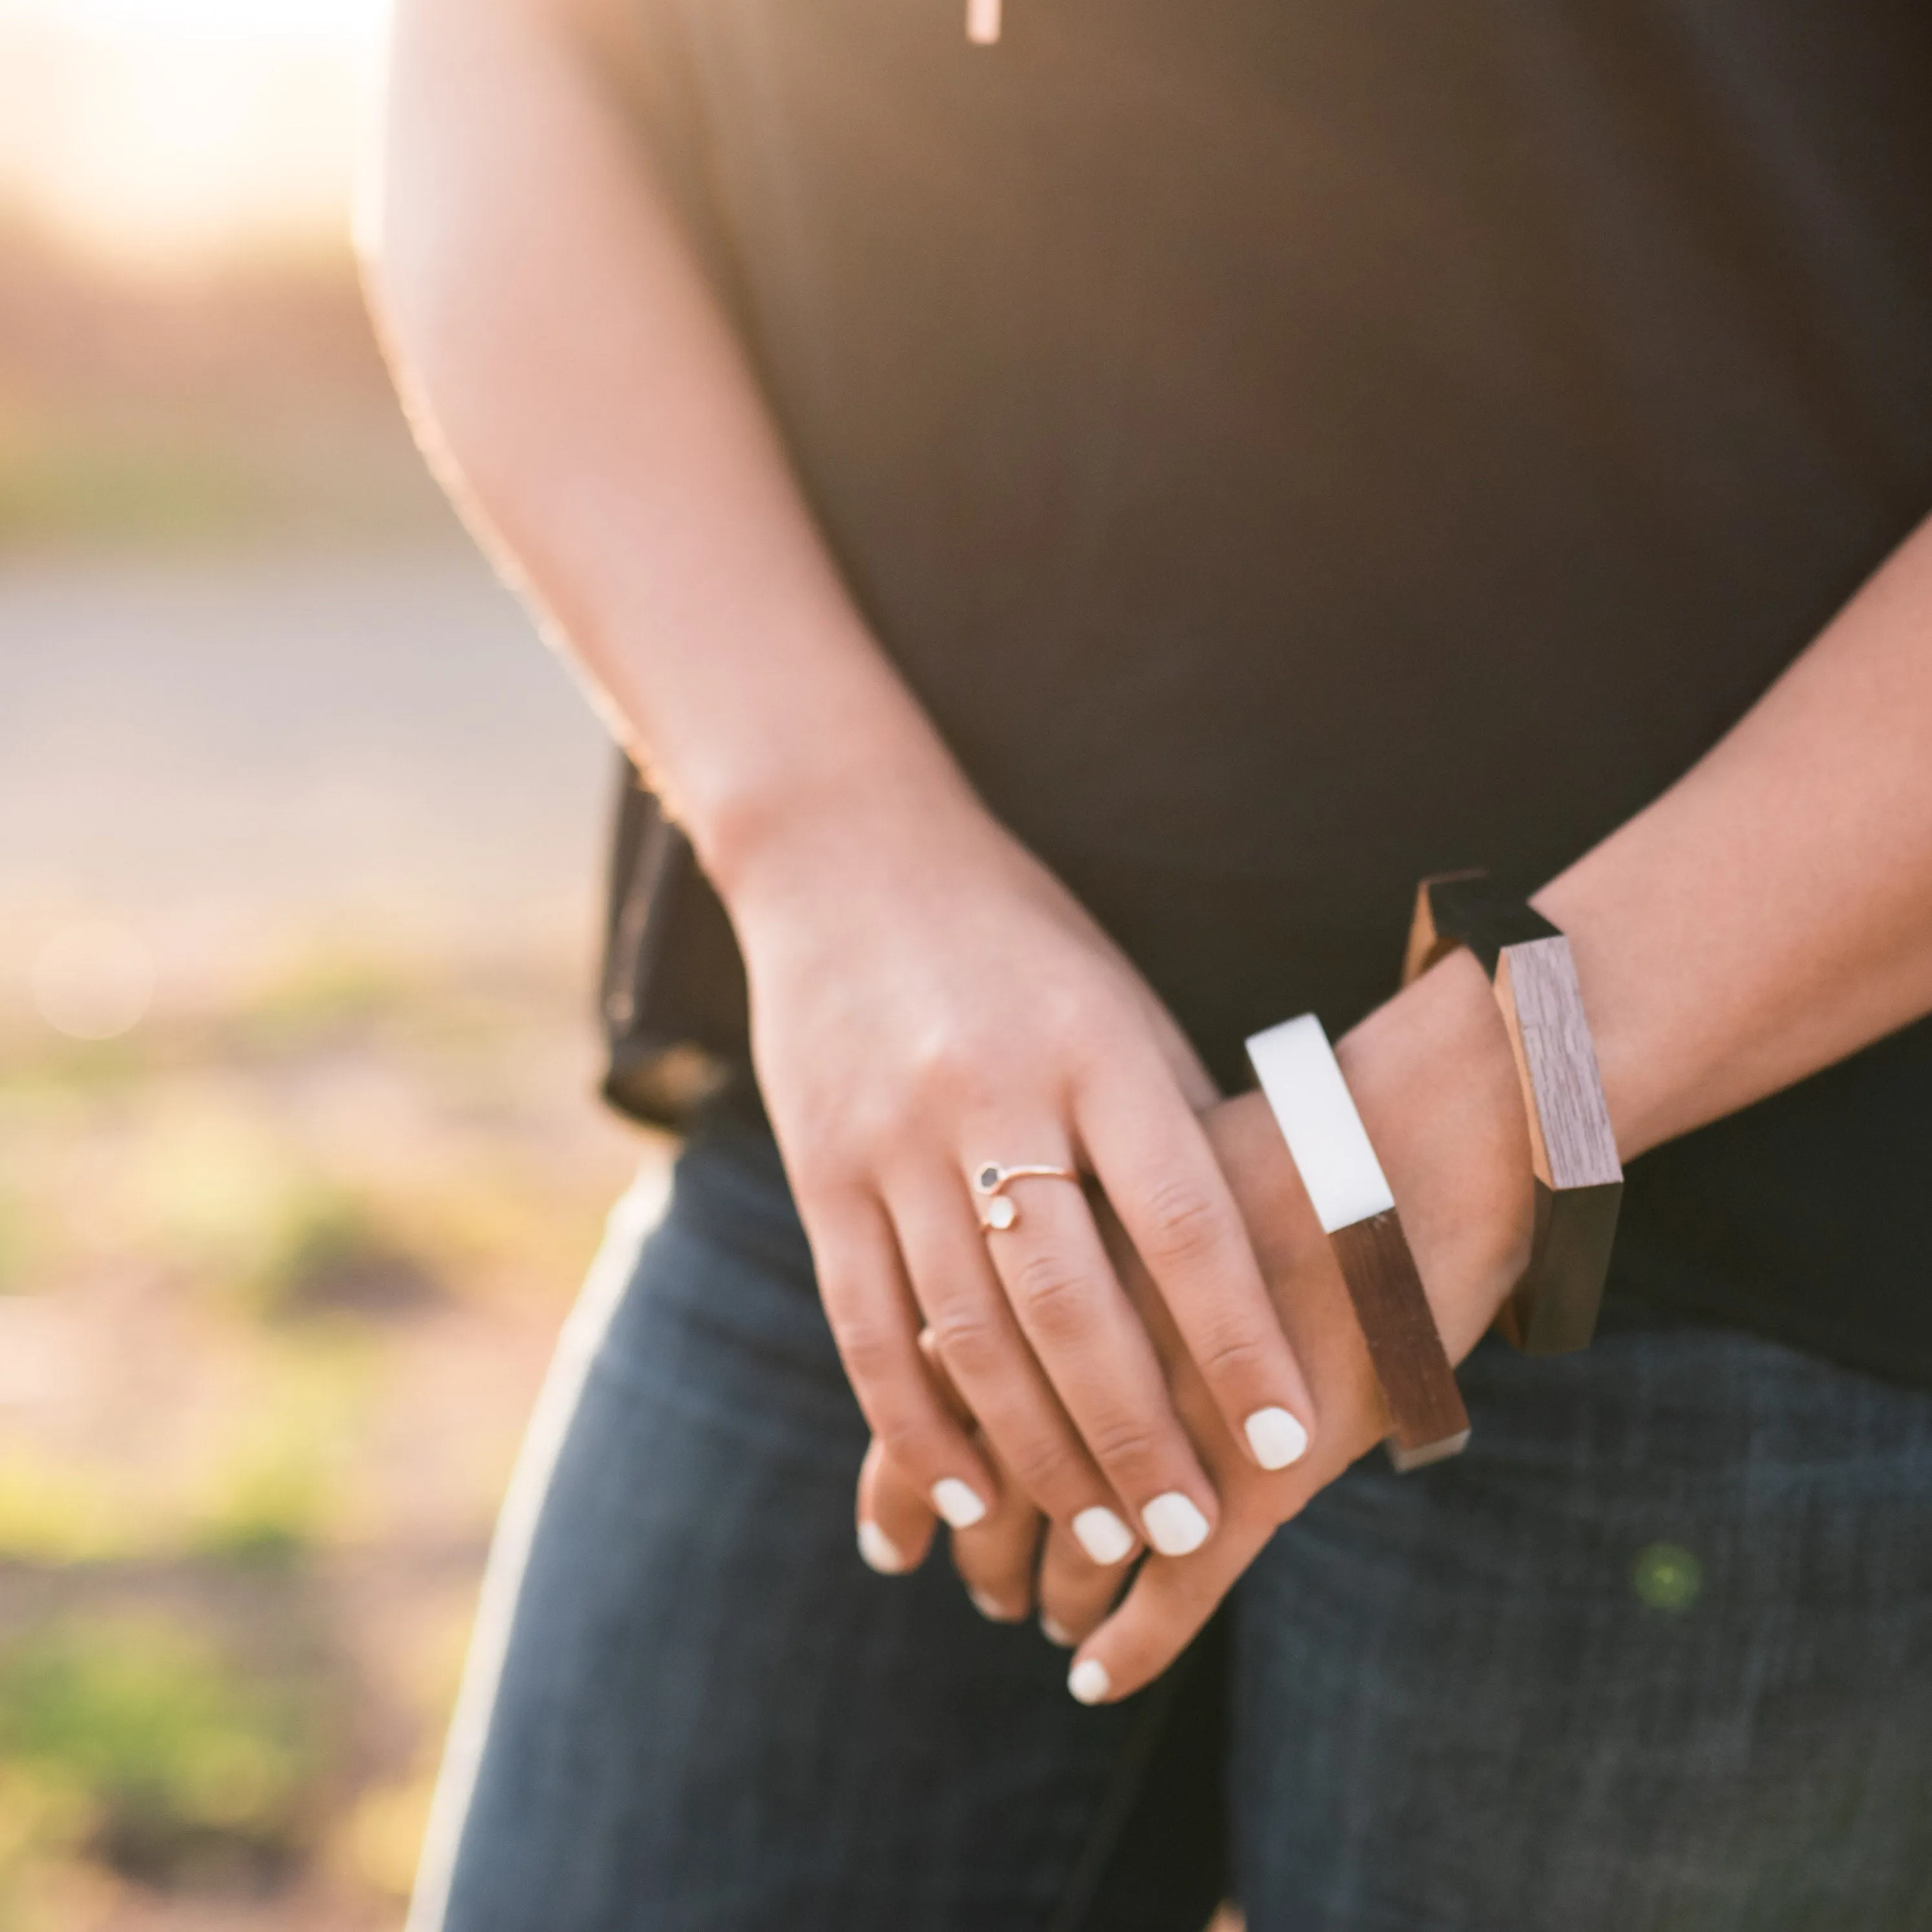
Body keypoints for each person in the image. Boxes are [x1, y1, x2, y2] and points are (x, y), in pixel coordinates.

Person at [365, 1, 1932, 1926]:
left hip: (1749, 1219)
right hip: (908, 1150)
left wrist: (1533, 1066)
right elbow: (507, 50)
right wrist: (825, 832)